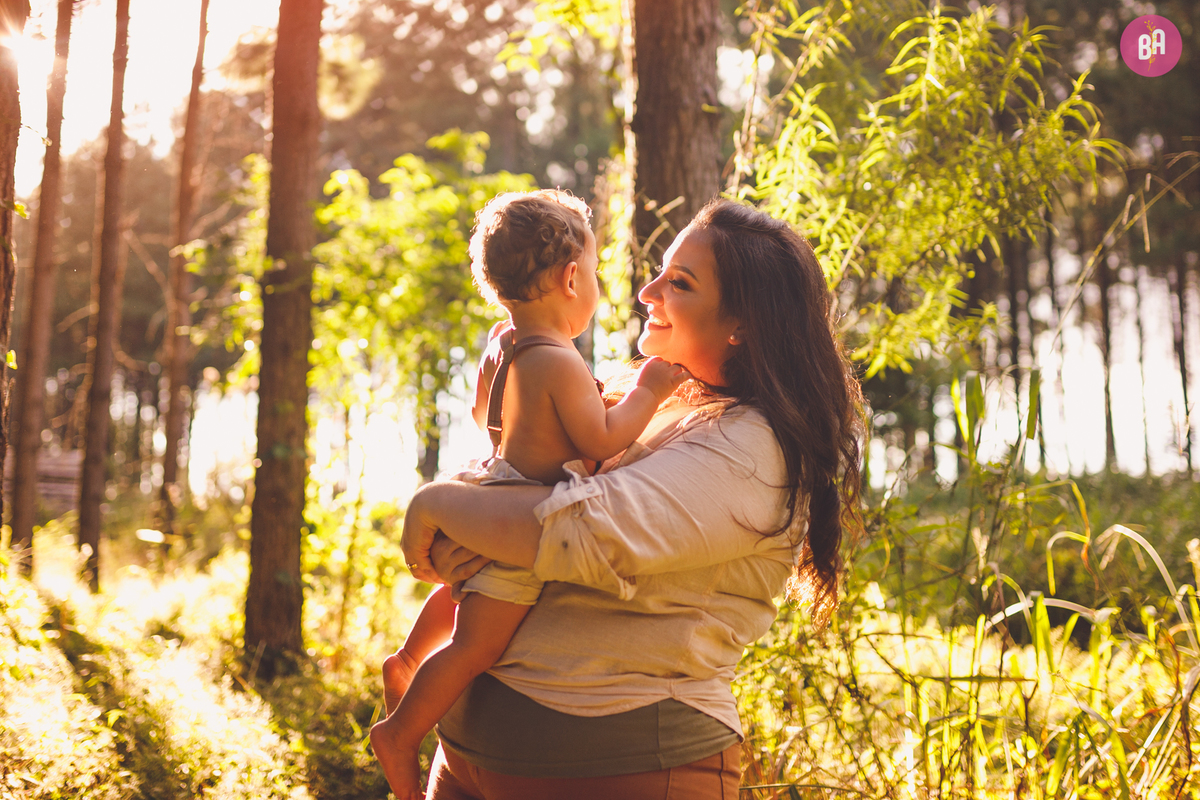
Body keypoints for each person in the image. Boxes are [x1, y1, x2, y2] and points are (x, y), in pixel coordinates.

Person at [399, 198, 864, 800]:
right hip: (464, 760)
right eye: (659, 272)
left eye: (680, 283)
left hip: (620, 771)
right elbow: (508, 476)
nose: (647, 292)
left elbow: (583, 533)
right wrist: (457, 535)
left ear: (742, 323)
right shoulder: (633, 387)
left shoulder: (754, 446)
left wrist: (433, 508)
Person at [370, 189, 689, 800]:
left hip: (491, 482)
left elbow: (481, 411)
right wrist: (648, 391)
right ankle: (402, 731)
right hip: (523, 509)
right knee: (476, 643)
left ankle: (408, 657)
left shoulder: (504, 342)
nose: (595, 285)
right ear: (571, 277)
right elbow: (601, 435)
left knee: (462, 593)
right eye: (593, 273)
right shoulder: (559, 359)